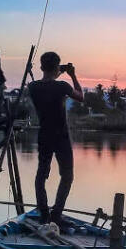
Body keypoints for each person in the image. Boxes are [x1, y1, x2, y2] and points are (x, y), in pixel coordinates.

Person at [28, 51, 84, 225]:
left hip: (45, 135)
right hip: (61, 137)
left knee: (41, 175)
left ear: (42, 67)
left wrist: (58, 70)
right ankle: (56, 214)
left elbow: (48, 80)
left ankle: (44, 214)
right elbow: (81, 97)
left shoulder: (33, 87)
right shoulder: (62, 87)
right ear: (56, 67)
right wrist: (72, 75)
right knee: (67, 176)